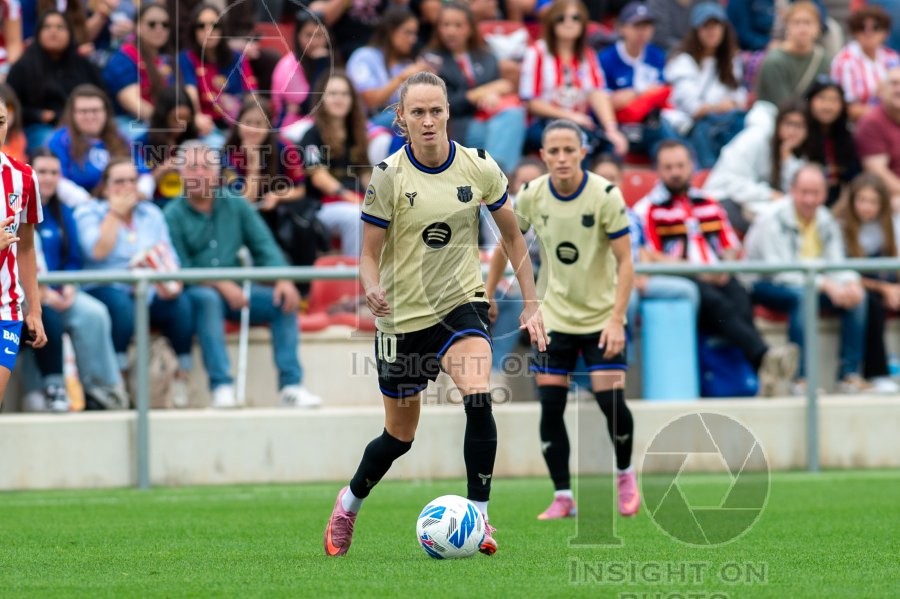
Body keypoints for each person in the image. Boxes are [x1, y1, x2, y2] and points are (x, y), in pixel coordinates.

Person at [323, 71, 547, 557]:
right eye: (417, 112)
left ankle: (480, 517)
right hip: (401, 319)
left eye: (436, 111)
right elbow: (366, 254)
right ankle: (349, 502)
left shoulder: (479, 166)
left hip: (459, 304)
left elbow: (513, 237)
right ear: (401, 118)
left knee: (478, 398)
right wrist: (371, 286)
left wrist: (531, 303)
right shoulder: (388, 176)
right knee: (400, 436)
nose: (428, 121)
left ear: (449, 113)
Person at [488, 119, 639, 520]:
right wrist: (489, 291)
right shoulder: (532, 194)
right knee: (550, 407)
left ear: (582, 152)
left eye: (568, 150)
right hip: (554, 318)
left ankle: (625, 474)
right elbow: (508, 241)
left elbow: (626, 262)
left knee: (611, 403)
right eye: (552, 151)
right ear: (542, 156)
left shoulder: (606, 195)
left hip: (600, 316)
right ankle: (563, 495)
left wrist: (617, 320)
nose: (561, 158)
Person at [164, 141, 322, 410]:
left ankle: (291, 386)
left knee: (282, 301)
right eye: (192, 167)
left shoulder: (235, 204)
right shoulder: (171, 214)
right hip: (196, 295)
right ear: (180, 174)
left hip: (238, 294)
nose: (200, 173)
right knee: (207, 299)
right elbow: (178, 268)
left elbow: (264, 246)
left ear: (217, 173)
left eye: (206, 167)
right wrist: (220, 283)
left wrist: (282, 279)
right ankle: (221, 386)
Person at [644, 140, 799, 397]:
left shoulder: (709, 203)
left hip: (718, 276)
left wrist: (723, 267)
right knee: (717, 303)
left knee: (740, 295)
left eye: (680, 165)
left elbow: (730, 246)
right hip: (683, 280)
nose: (675, 172)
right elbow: (649, 256)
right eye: (668, 167)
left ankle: (762, 374)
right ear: (658, 170)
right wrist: (696, 270)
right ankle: (764, 358)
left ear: (691, 166)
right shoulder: (649, 208)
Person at [75, 158, 195, 408]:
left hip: (148, 285)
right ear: (105, 188)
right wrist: (115, 213)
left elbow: (168, 255)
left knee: (182, 305)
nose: (128, 187)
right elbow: (97, 251)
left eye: (133, 180)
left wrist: (170, 282)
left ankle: (181, 376)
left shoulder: (150, 213)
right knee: (122, 308)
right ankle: (120, 379)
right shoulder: (89, 211)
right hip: (107, 286)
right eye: (119, 182)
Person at [745, 165, 869, 394]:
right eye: (804, 192)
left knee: (858, 298)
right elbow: (779, 272)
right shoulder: (772, 217)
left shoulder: (825, 219)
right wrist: (826, 284)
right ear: (791, 190)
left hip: (812, 285)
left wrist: (851, 283)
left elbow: (837, 263)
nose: (809, 199)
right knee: (803, 298)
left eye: (816, 193)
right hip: (765, 284)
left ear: (824, 194)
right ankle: (800, 380)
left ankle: (849, 376)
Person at [31, 148, 127, 411]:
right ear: (29, 174)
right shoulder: (16, 209)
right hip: (29, 294)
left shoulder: (63, 212)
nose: (48, 178)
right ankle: (45, 389)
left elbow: (74, 258)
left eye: (53, 173)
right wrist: (42, 293)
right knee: (44, 319)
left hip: (62, 291)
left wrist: (70, 287)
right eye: (42, 172)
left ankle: (101, 390)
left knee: (93, 313)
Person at [425, 1, 525, 173]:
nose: (451, 31)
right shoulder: (432, 60)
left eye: (458, 25)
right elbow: (443, 104)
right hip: (459, 124)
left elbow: (499, 86)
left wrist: (492, 95)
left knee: (514, 116)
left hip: (490, 117)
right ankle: (498, 178)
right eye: (445, 25)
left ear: (470, 28)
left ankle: (494, 176)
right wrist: (479, 93)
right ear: (438, 28)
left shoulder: (486, 56)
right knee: (505, 131)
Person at [519, 0, 627, 156]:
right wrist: (570, 116)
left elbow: (597, 93)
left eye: (575, 18)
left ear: (583, 24)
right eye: (561, 18)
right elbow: (531, 102)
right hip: (543, 123)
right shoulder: (537, 52)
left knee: (610, 146)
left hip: (579, 124)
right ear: (551, 22)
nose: (569, 23)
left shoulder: (588, 55)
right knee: (578, 144)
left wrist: (611, 129)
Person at [832, 173, 899, 393]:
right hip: (852, 285)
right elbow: (841, 271)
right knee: (871, 302)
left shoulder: (890, 224)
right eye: (862, 200)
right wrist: (884, 288)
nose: (867, 207)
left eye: (873, 202)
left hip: (884, 283)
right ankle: (876, 372)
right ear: (852, 201)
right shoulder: (838, 226)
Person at [0, 97, 48, 405]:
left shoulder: (23, 177)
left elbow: (26, 246)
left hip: (5, 308)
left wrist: (35, 309)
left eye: (0, 122)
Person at [663, 2, 747, 169]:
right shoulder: (683, 61)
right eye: (706, 26)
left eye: (716, 26)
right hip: (696, 127)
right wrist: (718, 107)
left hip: (726, 123)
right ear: (696, 30)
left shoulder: (730, 60)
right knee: (705, 129)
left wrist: (728, 106)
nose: (712, 31)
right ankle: (707, 174)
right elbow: (693, 107)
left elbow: (740, 98)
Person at [6, 10, 105, 151]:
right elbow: (9, 106)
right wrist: (37, 115)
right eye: (47, 27)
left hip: (84, 124)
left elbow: (102, 98)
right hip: (39, 127)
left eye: (60, 27)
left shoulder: (84, 65)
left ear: (70, 33)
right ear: (38, 33)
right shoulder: (23, 66)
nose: (54, 32)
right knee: (49, 140)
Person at [704, 100, 809, 231]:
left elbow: (793, 194)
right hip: (724, 198)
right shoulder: (756, 137)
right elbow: (733, 183)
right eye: (789, 124)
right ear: (778, 123)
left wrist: (787, 160)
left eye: (800, 126)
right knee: (773, 228)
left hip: (754, 202)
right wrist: (769, 195)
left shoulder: (797, 155)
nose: (793, 131)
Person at [298, 72, 369, 257]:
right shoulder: (312, 135)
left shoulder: (357, 134)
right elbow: (319, 179)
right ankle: (356, 280)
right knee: (357, 217)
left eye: (345, 94)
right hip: (323, 206)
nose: (339, 99)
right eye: (333, 94)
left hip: (358, 200)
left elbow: (366, 175)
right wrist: (351, 198)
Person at [598, 1, 682, 158]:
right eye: (637, 26)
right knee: (613, 148)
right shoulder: (606, 58)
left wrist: (636, 95)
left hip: (649, 124)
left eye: (647, 26)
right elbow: (605, 100)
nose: (642, 32)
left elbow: (663, 92)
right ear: (622, 28)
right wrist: (642, 94)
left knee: (665, 137)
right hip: (619, 125)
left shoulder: (656, 55)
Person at [47, 84, 153, 198]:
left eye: (95, 110)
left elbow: (144, 174)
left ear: (105, 112)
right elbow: (58, 180)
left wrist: (140, 195)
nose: (90, 116)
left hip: (125, 203)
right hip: (81, 207)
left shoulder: (119, 137)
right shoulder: (59, 140)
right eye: (83, 111)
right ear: (72, 114)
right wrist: (88, 202)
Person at [178, 3, 257, 140]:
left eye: (215, 26)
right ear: (194, 31)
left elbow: (251, 93)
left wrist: (251, 122)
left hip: (238, 125)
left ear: (222, 29)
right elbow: (190, 90)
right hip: (207, 126)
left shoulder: (237, 58)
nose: (208, 31)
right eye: (201, 26)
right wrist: (197, 115)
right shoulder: (186, 58)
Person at [346, 7, 430, 129]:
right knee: (409, 115)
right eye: (408, 32)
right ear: (391, 32)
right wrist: (401, 78)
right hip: (363, 124)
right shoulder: (364, 56)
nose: (413, 39)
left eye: (415, 33)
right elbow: (370, 101)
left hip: (394, 126)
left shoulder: (406, 64)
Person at [102, 2, 173, 129]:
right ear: (137, 26)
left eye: (165, 25)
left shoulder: (166, 60)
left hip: (160, 124)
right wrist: (166, 123)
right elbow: (131, 102)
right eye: (152, 24)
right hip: (128, 125)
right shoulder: (124, 58)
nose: (159, 29)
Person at [831, 5, 900, 122]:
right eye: (862, 27)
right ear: (854, 32)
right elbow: (849, 109)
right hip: (859, 127)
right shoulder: (845, 60)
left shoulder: (892, 57)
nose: (869, 32)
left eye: (876, 27)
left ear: (886, 32)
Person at [755, 1, 829, 108]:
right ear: (787, 27)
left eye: (808, 22)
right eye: (796, 22)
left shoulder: (823, 59)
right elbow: (783, 104)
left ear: (818, 27)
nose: (802, 28)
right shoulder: (774, 60)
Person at [802, 77, 860, 207]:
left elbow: (852, 181)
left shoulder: (846, 137)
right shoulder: (800, 134)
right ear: (809, 100)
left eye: (834, 100)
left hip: (840, 208)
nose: (828, 106)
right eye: (822, 98)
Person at [270, 9, 332, 129]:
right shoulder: (288, 66)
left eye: (319, 35)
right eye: (308, 35)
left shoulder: (329, 59)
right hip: (293, 126)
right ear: (298, 35)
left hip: (324, 123)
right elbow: (311, 105)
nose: (314, 42)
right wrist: (321, 65)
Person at [855, 66, 900, 198]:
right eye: (894, 84)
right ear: (881, 90)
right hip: (890, 197)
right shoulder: (872, 122)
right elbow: (878, 173)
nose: (898, 89)